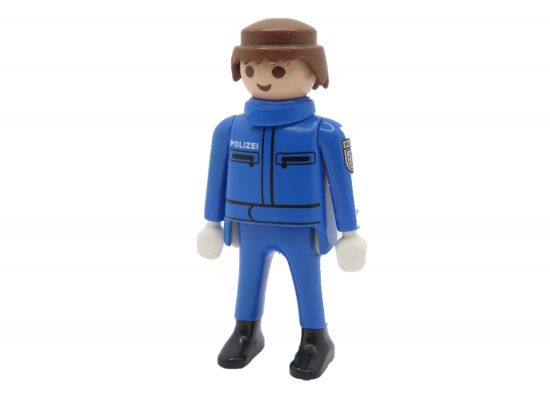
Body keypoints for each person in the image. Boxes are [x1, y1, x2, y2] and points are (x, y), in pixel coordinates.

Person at [197, 18, 367, 380]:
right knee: (248, 279)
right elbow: (216, 178)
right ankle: (246, 331)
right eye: (250, 68)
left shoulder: (324, 132)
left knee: (307, 281)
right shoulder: (229, 129)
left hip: (300, 225)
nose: (262, 78)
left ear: (314, 72)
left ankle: (315, 339)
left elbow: (342, 182)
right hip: (249, 223)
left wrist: (350, 233)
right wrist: (212, 222)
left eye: (278, 70)